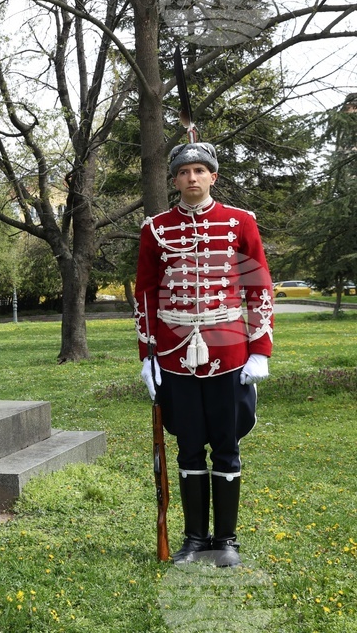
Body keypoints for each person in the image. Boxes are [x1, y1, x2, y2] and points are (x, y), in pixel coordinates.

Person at [134, 142, 274, 568]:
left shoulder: (240, 222)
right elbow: (145, 294)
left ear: (213, 176)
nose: (191, 178)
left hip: (230, 352)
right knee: (188, 447)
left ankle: (226, 540)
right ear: (174, 179)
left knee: (226, 447)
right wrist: (148, 354)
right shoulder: (155, 229)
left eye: (199, 170)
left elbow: (259, 287)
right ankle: (195, 539)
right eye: (184, 172)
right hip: (175, 355)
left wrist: (260, 350)